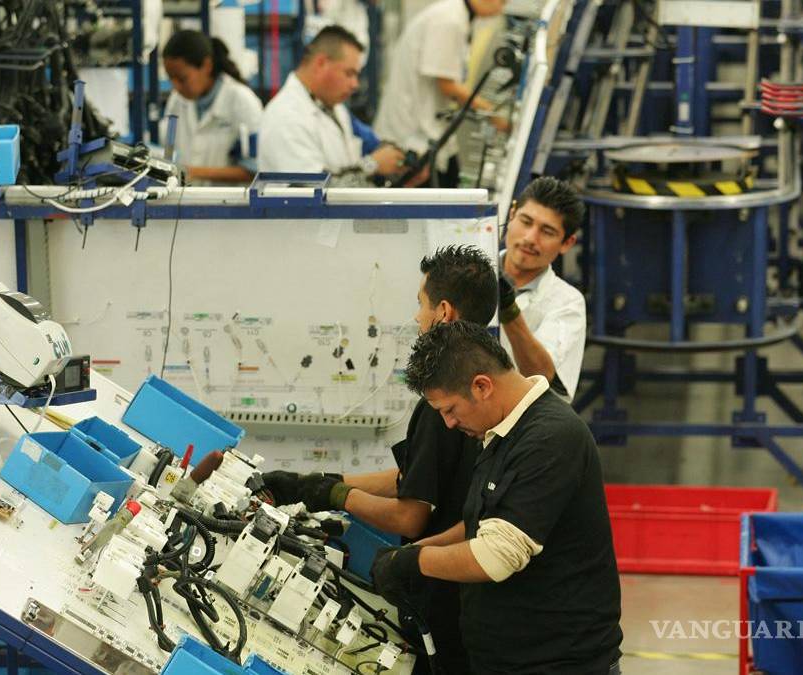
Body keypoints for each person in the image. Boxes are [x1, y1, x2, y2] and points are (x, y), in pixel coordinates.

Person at [263, 245, 498, 674]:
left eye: (421, 304)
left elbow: (411, 515)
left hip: (444, 598)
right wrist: (319, 482)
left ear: (443, 312)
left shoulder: (442, 404)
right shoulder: (484, 391)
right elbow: (414, 479)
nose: (416, 317)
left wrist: (337, 495)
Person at [371, 320, 622, 674]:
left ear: (482, 386)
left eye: (449, 410)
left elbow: (496, 555)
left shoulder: (550, 438)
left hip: (557, 663)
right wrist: (412, 551)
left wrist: (414, 562)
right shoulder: (501, 431)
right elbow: (480, 525)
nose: (448, 424)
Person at [373, 0, 507, 187]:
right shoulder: (449, 20)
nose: (501, 9)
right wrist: (493, 114)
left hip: (428, 129)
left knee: (451, 180)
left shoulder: (458, 16)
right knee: (441, 191)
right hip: (411, 134)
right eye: (502, 2)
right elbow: (447, 85)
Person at [257, 26, 406, 184]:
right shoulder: (286, 117)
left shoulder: (333, 108)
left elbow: (368, 145)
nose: (355, 84)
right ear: (321, 63)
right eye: (349, 73)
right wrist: (371, 165)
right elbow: (312, 190)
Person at [498, 176, 587, 401]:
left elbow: (539, 376)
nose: (530, 238)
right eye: (526, 222)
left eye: (547, 231)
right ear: (511, 214)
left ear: (567, 243)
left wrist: (507, 308)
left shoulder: (568, 303)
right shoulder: (468, 270)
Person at [162, 30, 263, 184]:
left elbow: (253, 170)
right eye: (171, 78)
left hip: (226, 198)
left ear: (207, 66)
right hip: (184, 196)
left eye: (182, 78)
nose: (175, 86)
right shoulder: (176, 101)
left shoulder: (242, 101)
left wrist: (193, 172)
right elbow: (168, 153)